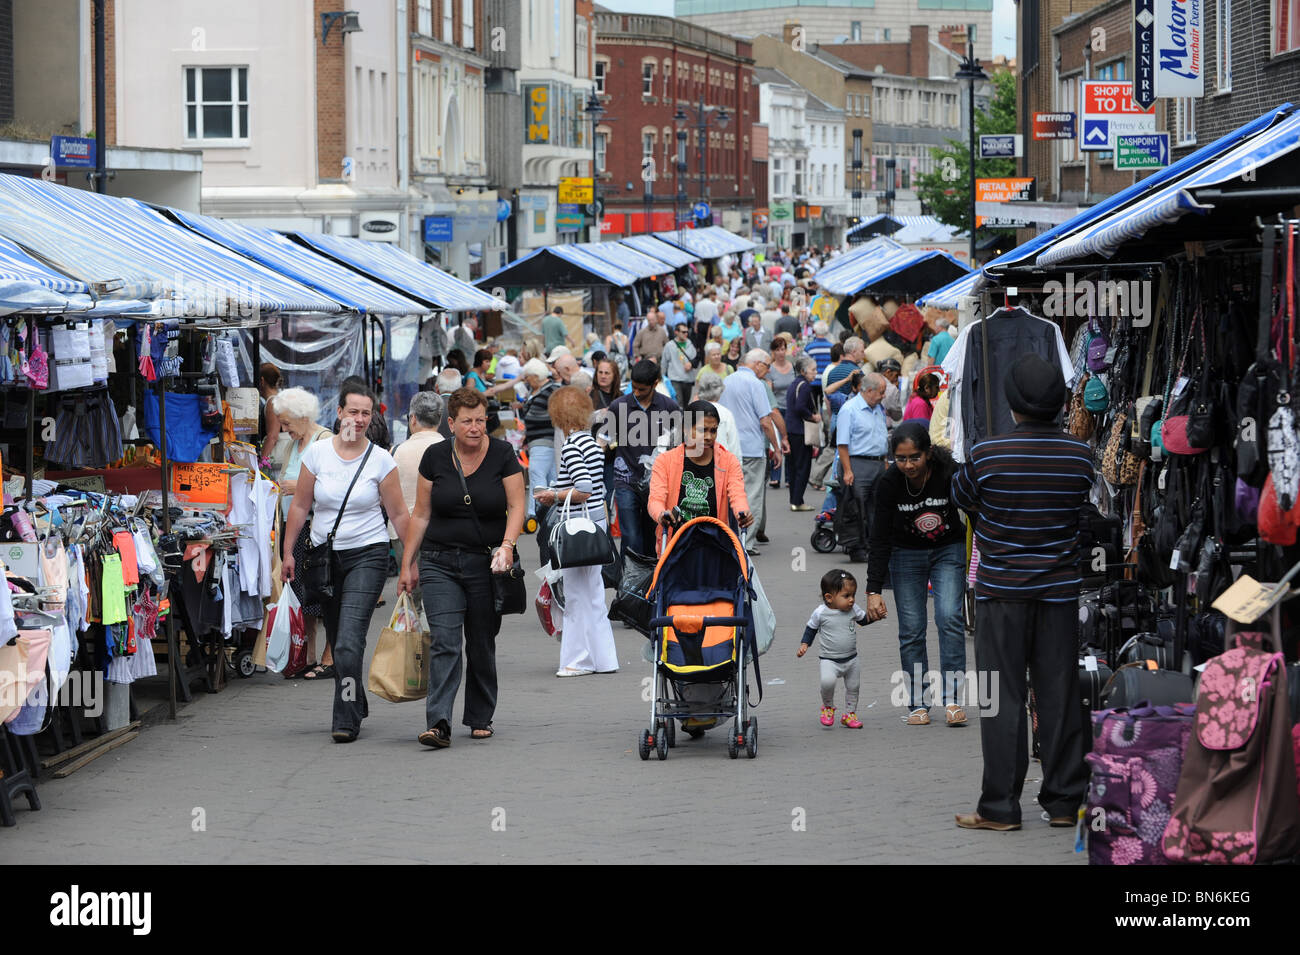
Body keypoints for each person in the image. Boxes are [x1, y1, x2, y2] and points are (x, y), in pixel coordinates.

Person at [951, 353, 1094, 832]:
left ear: (1013, 404)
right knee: (1059, 694)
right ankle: (1063, 802)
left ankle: (1000, 807)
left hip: (1001, 596)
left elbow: (965, 499)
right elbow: (1080, 516)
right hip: (1058, 595)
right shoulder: (1080, 456)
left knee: (999, 697)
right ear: (1059, 404)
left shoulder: (988, 454)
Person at [282, 382, 411, 743]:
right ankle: (356, 700)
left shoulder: (381, 460)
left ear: (371, 418)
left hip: (368, 556)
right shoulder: (318, 455)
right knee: (340, 640)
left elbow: (399, 515)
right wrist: (288, 553)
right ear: (339, 413)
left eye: (365, 413)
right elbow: (300, 506)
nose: (358, 418)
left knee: (347, 643)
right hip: (324, 558)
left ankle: (345, 718)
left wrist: (409, 562)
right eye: (352, 411)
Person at [400, 388, 526, 748]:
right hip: (439, 561)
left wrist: (507, 546)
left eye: (480, 419)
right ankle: (439, 721)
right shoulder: (435, 457)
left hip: (487, 562)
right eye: (467, 421)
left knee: (482, 641)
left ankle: (480, 714)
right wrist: (408, 563)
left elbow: (517, 506)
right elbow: (421, 514)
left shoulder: (502, 453)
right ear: (450, 423)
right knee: (445, 640)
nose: (475, 427)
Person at [865, 422, 967, 728]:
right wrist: (873, 590)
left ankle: (953, 700)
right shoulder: (888, 484)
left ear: (928, 453)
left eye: (914, 457)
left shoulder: (949, 473)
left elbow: (974, 510)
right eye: (901, 458)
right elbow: (879, 537)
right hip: (905, 555)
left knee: (949, 617)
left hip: (948, 549)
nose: (908, 465)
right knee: (911, 630)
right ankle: (918, 703)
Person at [532, 387, 618, 677]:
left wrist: (551, 495)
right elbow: (594, 488)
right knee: (593, 594)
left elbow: (583, 488)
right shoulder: (592, 443)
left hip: (576, 527)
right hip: (595, 523)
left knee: (574, 594)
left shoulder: (570, 446)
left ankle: (577, 660)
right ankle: (604, 658)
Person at [269, 387, 334, 680]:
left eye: (287, 423)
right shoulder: (290, 446)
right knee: (301, 593)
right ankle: (306, 653)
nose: (283, 429)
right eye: (281, 423)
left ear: (304, 416)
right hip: (295, 528)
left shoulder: (326, 441)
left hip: (318, 529)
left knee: (326, 594)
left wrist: (301, 488)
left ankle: (330, 657)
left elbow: (337, 488)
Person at [604, 359, 679, 570]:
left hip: (657, 483)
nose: (636, 392)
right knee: (630, 535)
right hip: (625, 479)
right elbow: (605, 440)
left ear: (655, 383)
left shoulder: (669, 407)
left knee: (651, 533)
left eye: (642, 389)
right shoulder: (618, 406)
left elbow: (679, 446)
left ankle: (649, 580)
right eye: (633, 387)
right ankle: (628, 580)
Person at [647, 399, 751, 550]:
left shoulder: (728, 461)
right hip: (676, 543)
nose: (709, 436)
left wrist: (742, 512)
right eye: (703, 430)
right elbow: (655, 499)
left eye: (713, 430)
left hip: (714, 542)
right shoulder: (665, 461)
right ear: (686, 429)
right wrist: (661, 514)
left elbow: (737, 494)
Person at [719, 349, 786, 553]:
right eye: (767, 366)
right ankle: (746, 542)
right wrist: (776, 446)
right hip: (752, 449)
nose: (767, 371)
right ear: (757, 364)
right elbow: (766, 421)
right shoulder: (757, 384)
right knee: (752, 495)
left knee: (729, 494)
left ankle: (729, 537)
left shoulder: (726, 381)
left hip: (728, 447)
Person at [797, 569, 879, 730]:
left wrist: (876, 616)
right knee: (827, 683)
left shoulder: (853, 609)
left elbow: (863, 619)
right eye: (846, 596)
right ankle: (828, 707)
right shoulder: (821, 613)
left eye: (853, 595)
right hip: (829, 659)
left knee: (854, 687)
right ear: (829, 597)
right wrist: (805, 644)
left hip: (852, 659)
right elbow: (811, 628)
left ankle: (850, 714)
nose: (851, 600)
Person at [391, 391, 445, 583]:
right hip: (440, 530)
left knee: (411, 595)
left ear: (412, 419)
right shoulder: (450, 450)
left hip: (402, 532)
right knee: (437, 589)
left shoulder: (396, 452)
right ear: (439, 419)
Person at [836, 371, 889, 562]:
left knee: (876, 507)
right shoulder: (849, 409)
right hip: (857, 463)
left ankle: (873, 545)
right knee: (856, 507)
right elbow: (842, 443)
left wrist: (884, 463)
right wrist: (848, 470)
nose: (883, 396)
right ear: (868, 391)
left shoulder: (877, 409)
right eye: (881, 392)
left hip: (877, 463)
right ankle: (856, 547)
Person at [519, 358, 560, 520]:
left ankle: (534, 513)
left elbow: (551, 414)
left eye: (528, 377)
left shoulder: (551, 390)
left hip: (545, 440)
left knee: (537, 474)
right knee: (549, 477)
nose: (526, 380)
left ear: (536, 376)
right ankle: (549, 511)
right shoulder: (537, 390)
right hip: (538, 441)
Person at [784, 355, 820, 511]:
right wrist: (813, 416)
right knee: (803, 467)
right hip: (801, 430)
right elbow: (800, 407)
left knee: (793, 467)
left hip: (792, 429)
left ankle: (795, 499)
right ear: (804, 371)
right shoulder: (804, 386)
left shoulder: (794, 383)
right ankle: (798, 501)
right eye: (813, 370)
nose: (815, 373)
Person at [693, 370, 740, 460]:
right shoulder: (726, 413)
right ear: (720, 391)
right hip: (721, 462)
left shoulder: (692, 410)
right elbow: (734, 446)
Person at [662, 319, 697, 406]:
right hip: (675, 379)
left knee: (686, 404)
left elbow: (696, 359)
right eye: (683, 332)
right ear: (676, 332)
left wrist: (691, 364)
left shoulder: (690, 344)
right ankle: (678, 419)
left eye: (687, 332)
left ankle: (684, 419)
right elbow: (664, 363)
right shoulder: (669, 345)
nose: (686, 334)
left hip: (688, 379)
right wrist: (662, 378)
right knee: (678, 404)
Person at [259, 363, 284, 461]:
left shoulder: (272, 402)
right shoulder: (279, 399)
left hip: (274, 462)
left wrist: (261, 463)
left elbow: (272, 436)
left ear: (262, 381)